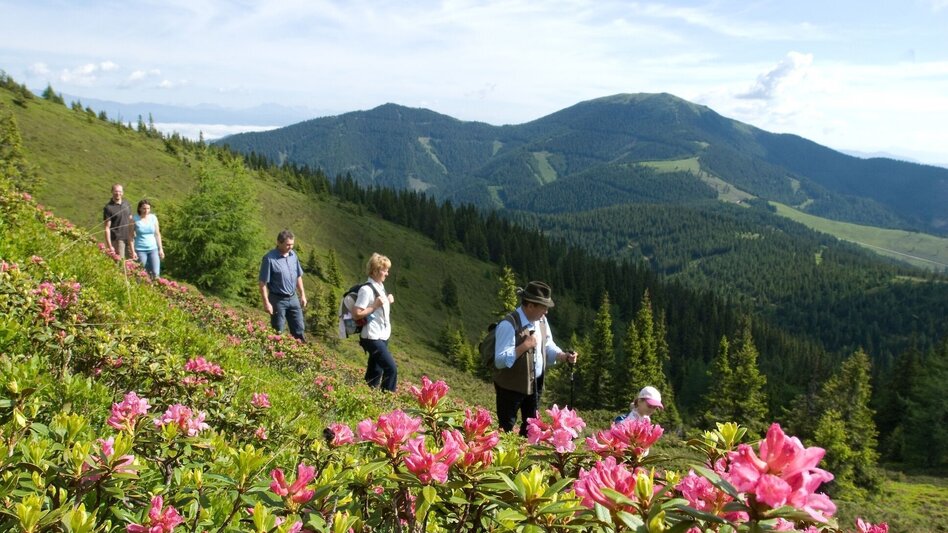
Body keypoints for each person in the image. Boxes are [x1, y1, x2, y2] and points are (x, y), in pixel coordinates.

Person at [493, 281, 578, 436]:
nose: (546, 312)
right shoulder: (508, 324)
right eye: (543, 307)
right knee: (506, 427)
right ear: (531, 306)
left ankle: (525, 449)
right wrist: (525, 345)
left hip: (534, 384)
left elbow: (548, 344)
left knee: (531, 427)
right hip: (510, 387)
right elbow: (499, 361)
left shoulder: (541, 321)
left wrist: (562, 356)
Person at [351, 253, 397, 391]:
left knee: (375, 371)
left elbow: (379, 308)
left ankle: (365, 395)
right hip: (371, 336)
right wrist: (375, 306)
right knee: (391, 369)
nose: (387, 273)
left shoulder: (380, 287)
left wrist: (387, 301)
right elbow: (356, 314)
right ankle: (387, 399)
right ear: (376, 270)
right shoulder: (366, 290)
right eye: (385, 270)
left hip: (382, 335)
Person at [259, 230, 307, 340]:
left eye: (292, 244)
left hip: (293, 298)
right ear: (278, 242)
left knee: (299, 328)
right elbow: (262, 283)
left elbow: (298, 276)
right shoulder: (269, 259)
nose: (290, 247)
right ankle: (276, 350)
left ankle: (299, 349)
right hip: (277, 300)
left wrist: (302, 295)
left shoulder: (293, 255)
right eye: (288, 244)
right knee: (278, 329)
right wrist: (266, 303)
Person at [129, 199, 164, 277]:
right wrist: (133, 251)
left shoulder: (153, 218)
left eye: (148, 208)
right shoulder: (134, 219)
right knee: (140, 273)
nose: (146, 211)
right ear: (139, 208)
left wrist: (160, 249)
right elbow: (130, 236)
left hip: (153, 249)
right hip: (140, 249)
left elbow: (157, 234)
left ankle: (155, 284)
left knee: (155, 273)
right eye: (144, 208)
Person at [103, 183, 132, 258]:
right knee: (120, 262)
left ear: (122, 192)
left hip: (129, 238)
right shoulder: (108, 208)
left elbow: (131, 221)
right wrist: (110, 246)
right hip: (117, 240)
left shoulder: (127, 204)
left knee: (131, 262)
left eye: (120, 191)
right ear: (112, 192)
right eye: (116, 191)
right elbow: (107, 228)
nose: (118, 193)